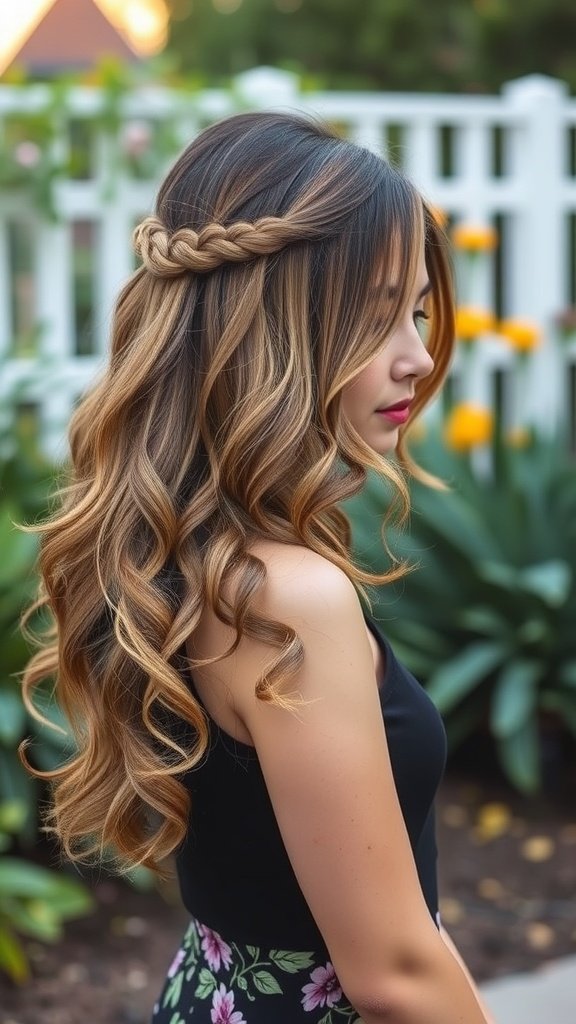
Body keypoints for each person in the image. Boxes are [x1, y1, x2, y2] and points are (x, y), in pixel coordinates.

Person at [20, 111, 495, 1024]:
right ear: (269, 328)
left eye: (420, 312)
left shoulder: (196, 563)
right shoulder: (284, 600)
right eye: (374, 315)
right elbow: (393, 974)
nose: (416, 355)